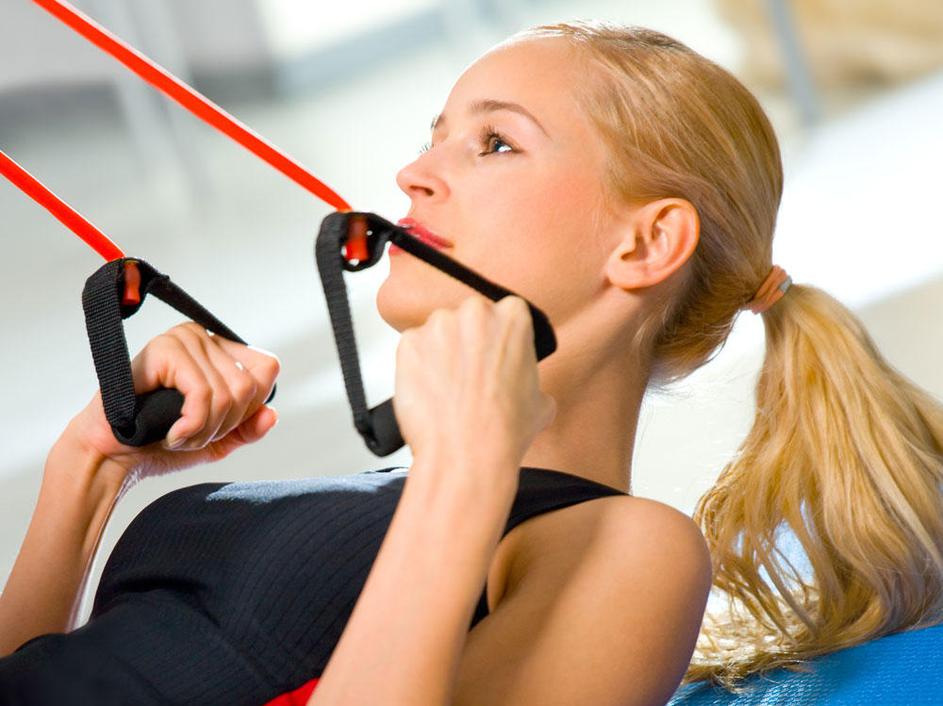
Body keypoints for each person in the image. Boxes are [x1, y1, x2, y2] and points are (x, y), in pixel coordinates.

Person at [1, 18, 940, 706]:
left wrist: (465, 470)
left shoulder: (625, 551)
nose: (411, 175)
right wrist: (91, 470)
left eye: (494, 142)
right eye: (432, 136)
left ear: (646, 244)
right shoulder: (408, 493)